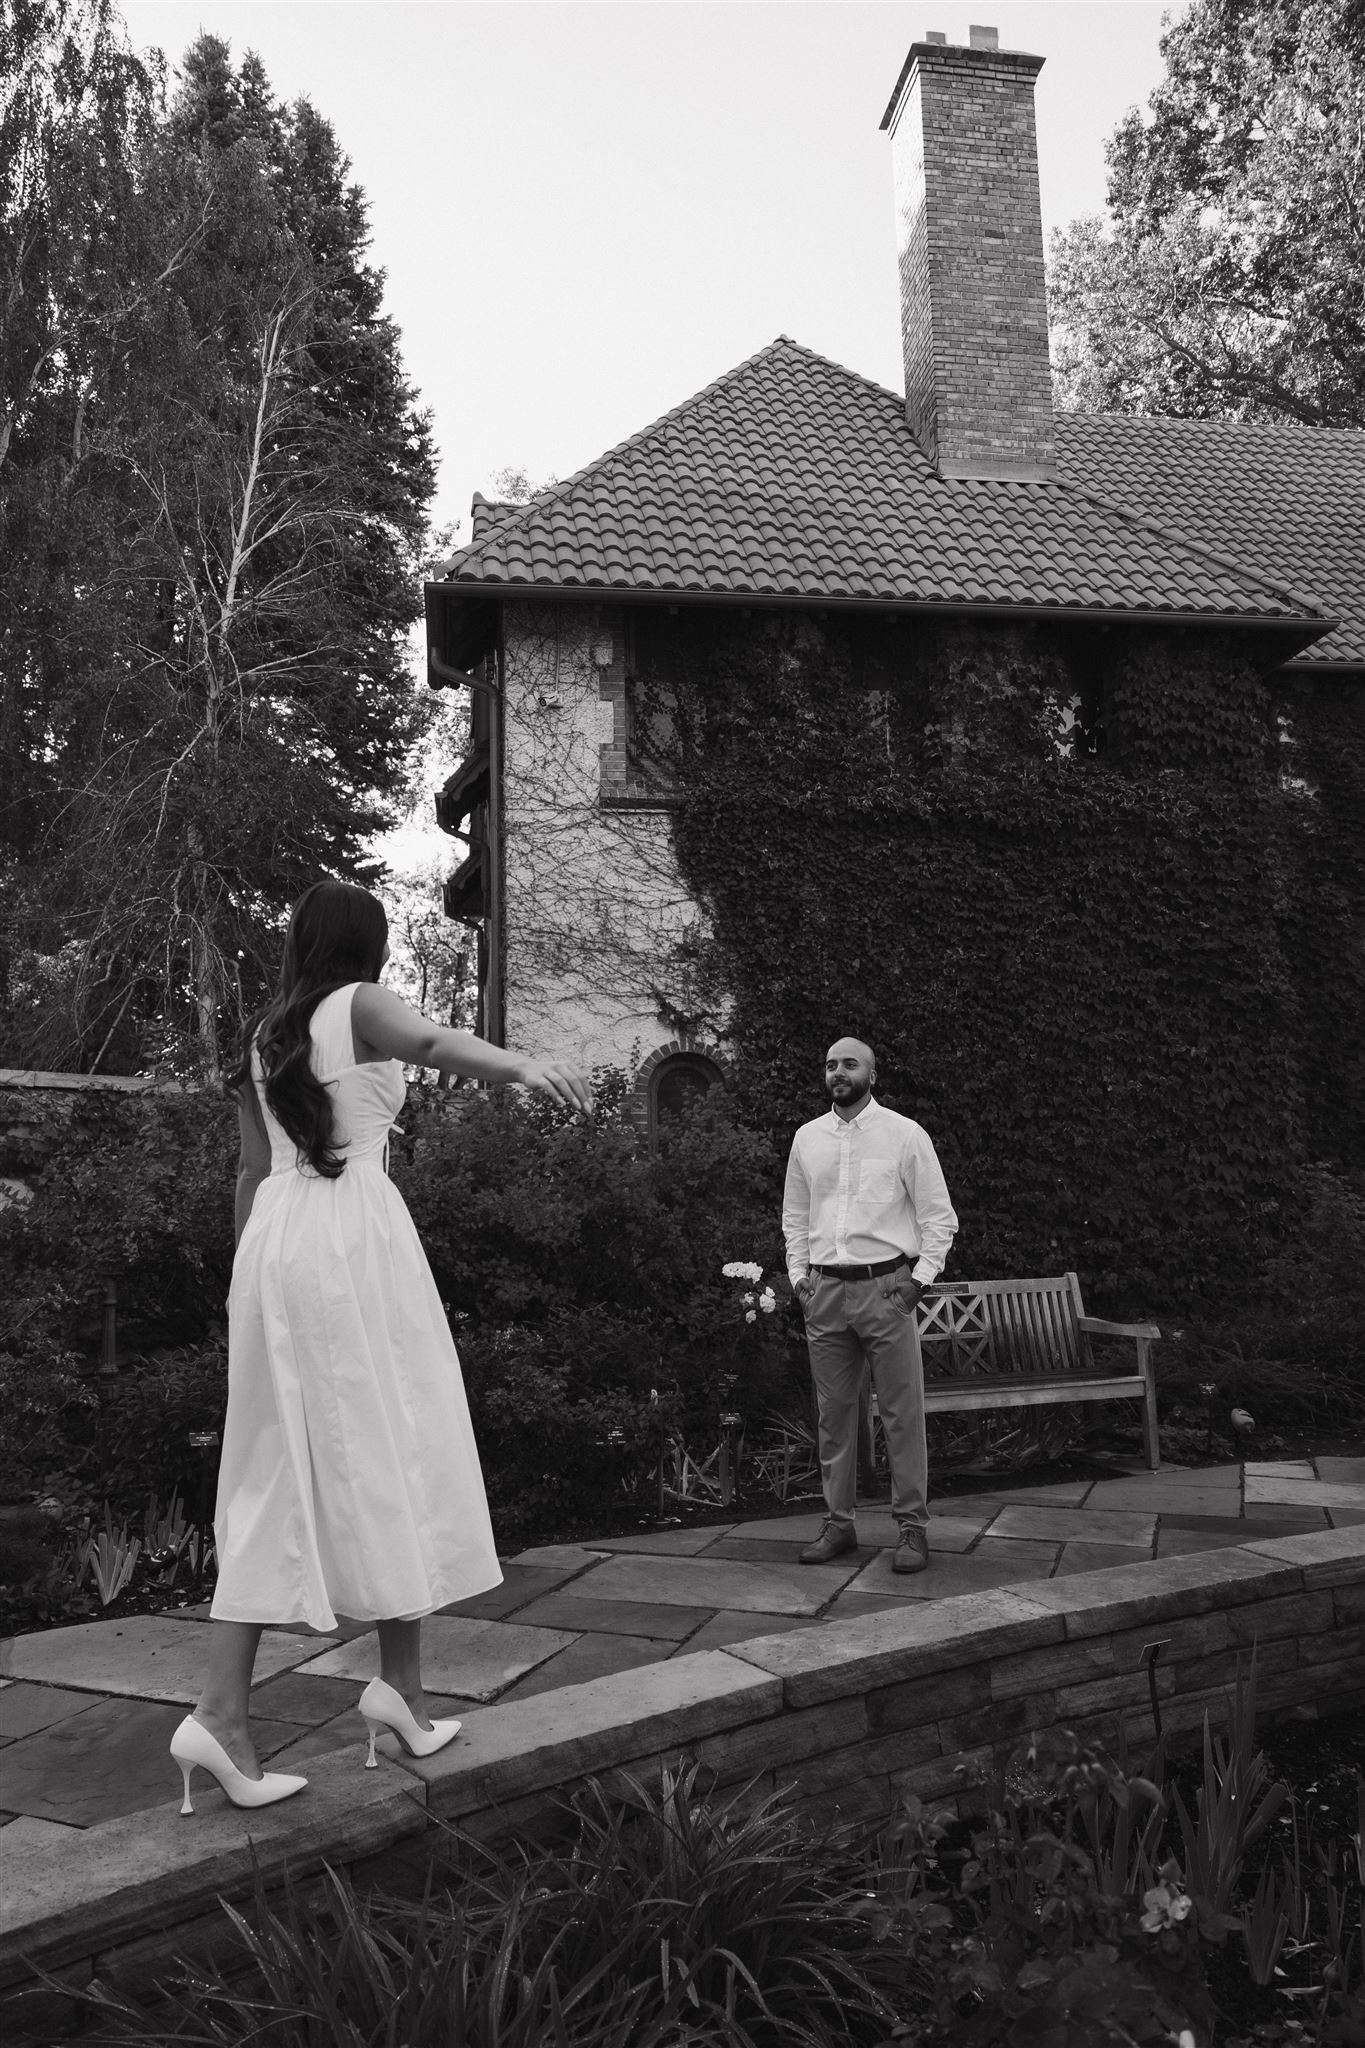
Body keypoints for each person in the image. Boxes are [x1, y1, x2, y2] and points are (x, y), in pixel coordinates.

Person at [169, 881, 593, 1815]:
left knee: (282, 1466)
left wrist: (248, 1288)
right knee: (391, 1439)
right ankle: (248, 1708)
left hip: (275, 1245)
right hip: (348, 1240)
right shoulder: (354, 1004)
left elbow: (249, 1172)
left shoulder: (265, 1035)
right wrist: (520, 1067)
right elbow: (434, 1045)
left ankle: (372, 1694)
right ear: (367, 943)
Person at [782, 1036, 957, 1576]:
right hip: (826, 1293)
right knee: (833, 1417)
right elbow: (795, 1215)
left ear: (872, 1075)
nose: (838, 1071)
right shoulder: (807, 1138)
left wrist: (918, 1282)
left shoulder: (905, 1135)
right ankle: (839, 1523)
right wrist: (798, 1279)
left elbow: (938, 1218)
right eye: (830, 1063)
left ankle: (912, 1529)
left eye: (849, 1063)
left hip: (887, 1290)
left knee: (902, 1415)